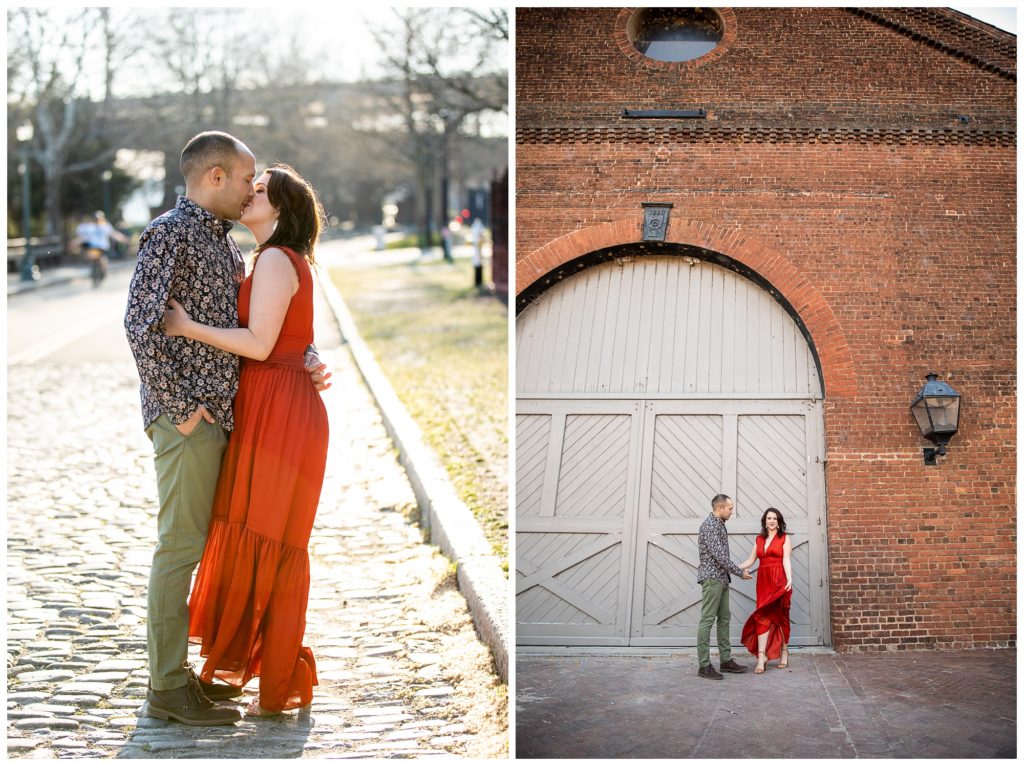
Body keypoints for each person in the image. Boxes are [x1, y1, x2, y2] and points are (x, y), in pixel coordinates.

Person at [124, 131, 329, 726]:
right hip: (191, 418)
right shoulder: (170, 232)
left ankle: (186, 673)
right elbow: (142, 326)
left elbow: (265, 330)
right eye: (246, 179)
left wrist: (305, 357)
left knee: (204, 539)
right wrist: (178, 408)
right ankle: (165, 687)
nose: (248, 191)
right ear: (216, 177)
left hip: (236, 416)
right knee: (181, 546)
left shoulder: (229, 244)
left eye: (256, 186)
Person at [696, 494, 752, 680]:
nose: (732, 511)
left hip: (721, 578)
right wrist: (739, 572)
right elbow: (720, 556)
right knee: (707, 620)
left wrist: (733, 572)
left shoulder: (719, 524)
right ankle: (704, 665)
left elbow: (721, 558)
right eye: (729, 508)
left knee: (724, 619)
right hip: (712, 579)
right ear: (719, 508)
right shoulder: (710, 526)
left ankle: (726, 661)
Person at [739, 508, 793, 674]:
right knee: (762, 616)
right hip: (764, 582)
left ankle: (784, 652)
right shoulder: (759, 539)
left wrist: (789, 579)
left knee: (781, 617)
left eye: (774, 518)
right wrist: (733, 568)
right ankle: (761, 656)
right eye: (769, 518)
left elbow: (786, 560)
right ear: (764, 521)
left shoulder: (784, 538)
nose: (771, 521)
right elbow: (750, 560)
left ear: (778, 522)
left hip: (779, 581)